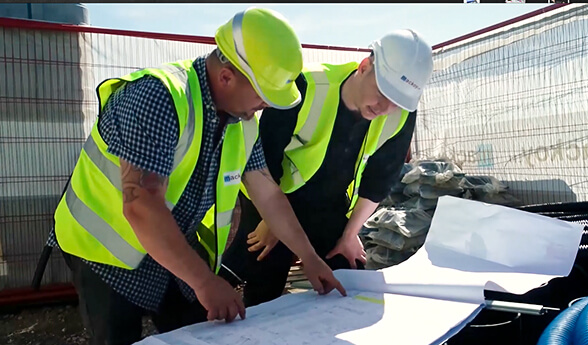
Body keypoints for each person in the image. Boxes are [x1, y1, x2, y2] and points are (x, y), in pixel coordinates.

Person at [45, 7, 345, 345]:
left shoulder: (241, 120)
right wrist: (203, 282)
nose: (267, 104)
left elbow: (268, 193)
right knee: (119, 338)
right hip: (103, 252)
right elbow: (141, 205)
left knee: (201, 332)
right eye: (263, 92)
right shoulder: (157, 98)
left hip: (170, 241)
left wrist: (309, 258)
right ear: (227, 76)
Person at [219, 29, 434, 307]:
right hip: (272, 195)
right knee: (264, 275)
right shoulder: (306, 85)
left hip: (327, 204)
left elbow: (379, 180)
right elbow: (264, 161)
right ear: (364, 67)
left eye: (398, 101)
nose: (386, 107)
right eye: (383, 92)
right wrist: (272, 221)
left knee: (350, 275)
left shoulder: (402, 114)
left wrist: (350, 234)